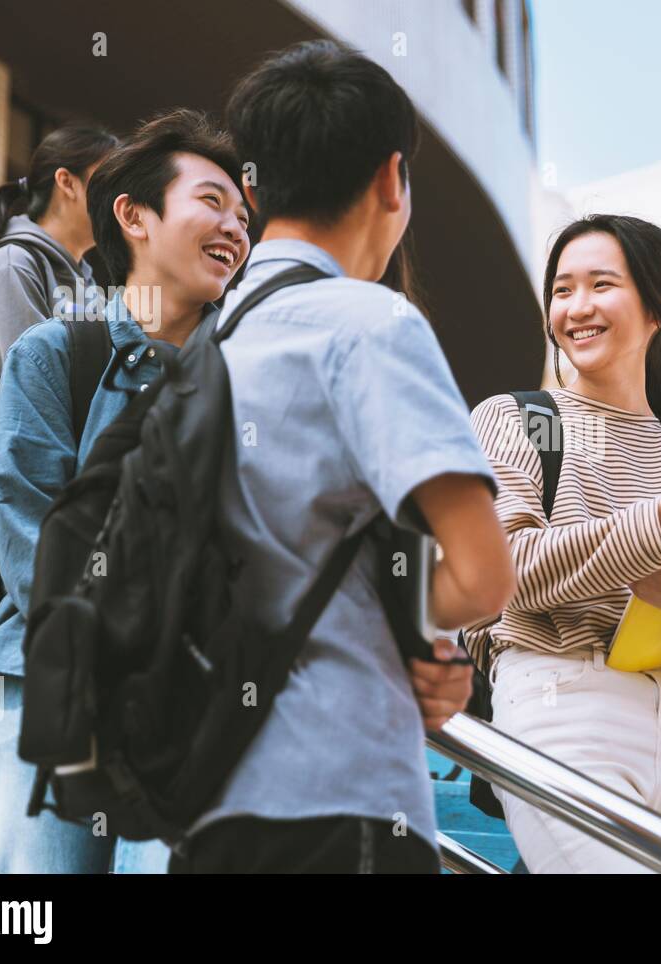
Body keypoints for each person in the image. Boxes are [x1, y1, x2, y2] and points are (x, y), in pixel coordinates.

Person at [165, 39, 515, 874]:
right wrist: (415, 636)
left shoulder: (199, 348)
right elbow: (482, 574)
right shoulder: (371, 323)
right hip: (342, 792)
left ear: (251, 190)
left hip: (207, 797)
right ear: (393, 180)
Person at [464, 214, 661, 873]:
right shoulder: (517, 420)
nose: (577, 308)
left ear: (659, 306)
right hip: (563, 703)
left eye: (601, 285)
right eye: (561, 290)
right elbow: (503, 571)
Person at [0, 124, 118, 867]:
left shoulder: (83, 277)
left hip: (59, 491)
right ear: (70, 182)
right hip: (7, 491)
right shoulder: (17, 264)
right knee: (12, 653)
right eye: (108, 179)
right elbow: (36, 385)